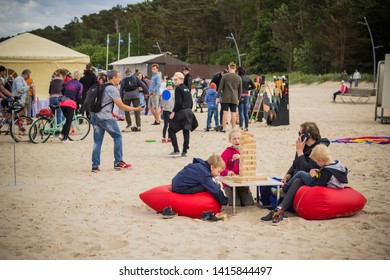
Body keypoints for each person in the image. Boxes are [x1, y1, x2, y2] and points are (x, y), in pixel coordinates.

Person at [260, 122, 330, 222]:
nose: (298, 136)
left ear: (307, 135)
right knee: (275, 181)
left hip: (308, 179)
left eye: (300, 133)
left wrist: (300, 152)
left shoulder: (318, 149)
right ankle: (277, 207)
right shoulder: (303, 146)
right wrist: (288, 175)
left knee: (298, 179)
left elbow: (306, 169)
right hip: (295, 178)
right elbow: (295, 164)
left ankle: (280, 203)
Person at [263, 144, 348, 226]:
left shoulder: (327, 171)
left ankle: (283, 192)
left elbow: (319, 184)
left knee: (300, 174)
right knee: (298, 180)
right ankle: (280, 209)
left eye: (316, 162)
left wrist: (313, 175)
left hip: (323, 189)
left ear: (320, 160)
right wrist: (319, 173)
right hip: (334, 186)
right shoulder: (338, 165)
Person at [90, 70, 143, 173]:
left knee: (97, 142)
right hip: (105, 117)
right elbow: (122, 106)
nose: (120, 79)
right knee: (117, 136)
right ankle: (118, 162)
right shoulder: (112, 89)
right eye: (119, 77)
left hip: (94, 116)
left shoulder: (102, 86)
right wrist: (136, 109)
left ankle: (95, 166)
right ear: (113, 77)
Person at [220, 128, 254, 206]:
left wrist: (242, 157)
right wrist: (228, 172)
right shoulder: (226, 153)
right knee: (236, 204)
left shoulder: (246, 151)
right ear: (230, 140)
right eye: (234, 139)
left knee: (249, 204)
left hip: (242, 183)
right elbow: (220, 169)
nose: (237, 141)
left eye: (239, 138)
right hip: (229, 184)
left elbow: (251, 165)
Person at [168, 72, 198, 157]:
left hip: (182, 112)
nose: (174, 81)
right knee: (186, 131)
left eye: (176, 79)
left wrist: (173, 112)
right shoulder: (186, 88)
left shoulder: (178, 88)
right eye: (174, 79)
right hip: (189, 111)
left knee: (171, 130)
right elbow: (191, 102)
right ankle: (184, 151)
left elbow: (178, 102)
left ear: (181, 79)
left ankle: (176, 149)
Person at [59, 70, 83, 143]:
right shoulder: (80, 85)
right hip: (70, 103)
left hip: (63, 103)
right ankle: (64, 138)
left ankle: (62, 134)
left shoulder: (67, 83)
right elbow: (79, 96)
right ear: (79, 76)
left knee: (67, 120)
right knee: (69, 121)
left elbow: (62, 91)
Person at [218, 62, 242, 132]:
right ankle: (233, 128)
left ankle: (224, 128)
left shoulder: (224, 76)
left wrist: (218, 96)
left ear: (229, 68)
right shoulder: (238, 78)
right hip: (234, 97)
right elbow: (240, 90)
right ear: (235, 68)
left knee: (225, 113)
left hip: (225, 97)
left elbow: (220, 87)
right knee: (233, 113)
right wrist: (238, 98)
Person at [237, 66, 256, 131]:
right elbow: (254, 86)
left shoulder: (239, 78)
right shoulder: (248, 78)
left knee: (241, 112)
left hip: (240, 95)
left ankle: (241, 126)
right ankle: (247, 126)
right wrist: (247, 89)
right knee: (246, 112)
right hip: (246, 95)